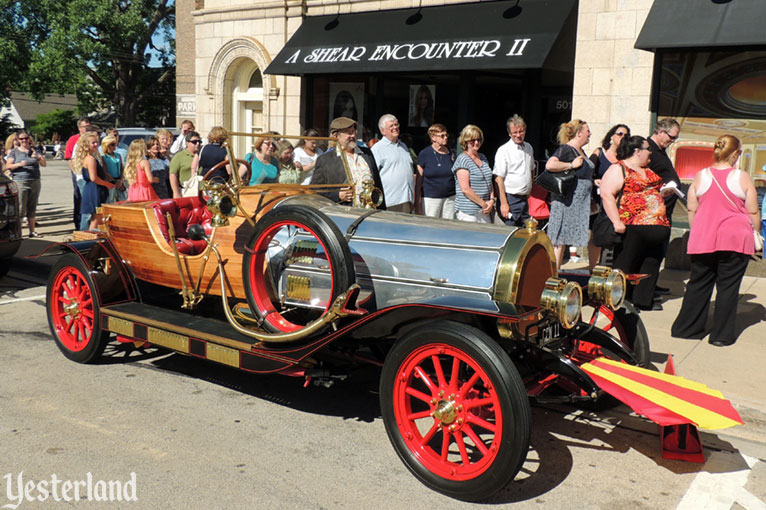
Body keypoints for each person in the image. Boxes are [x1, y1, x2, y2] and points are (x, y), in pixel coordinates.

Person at [671, 135, 761, 346]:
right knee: (728, 287)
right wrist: (755, 233)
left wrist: (699, 230)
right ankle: (721, 336)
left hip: (705, 236)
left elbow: (692, 207)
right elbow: (753, 210)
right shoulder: (741, 176)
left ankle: (687, 328)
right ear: (736, 153)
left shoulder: (701, 176)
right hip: (735, 237)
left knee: (698, 283)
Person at [600, 135, 670, 311]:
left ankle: (642, 300)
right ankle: (619, 300)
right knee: (626, 265)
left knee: (651, 263)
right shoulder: (619, 168)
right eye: (648, 149)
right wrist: (617, 222)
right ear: (637, 151)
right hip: (632, 225)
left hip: (657, 225)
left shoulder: (647, 169)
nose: (651, 152)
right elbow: (607, 194)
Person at [545, 119, 596, 269]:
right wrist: (571, 165)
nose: (590, 134)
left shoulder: (580, 150)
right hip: (565, 201)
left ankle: (556, 273)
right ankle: (552, 275)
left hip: (577, 202)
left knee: (564, 239)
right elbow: (550, 164)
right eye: (588, 131)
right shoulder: (567, 149)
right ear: (579, 133)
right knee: (559, 239)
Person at [310, 116, 385, 208]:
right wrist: (337, 195)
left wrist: (382, 209)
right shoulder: (325, 160)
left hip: (370, 213)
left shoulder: (366, 153)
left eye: (353, 131)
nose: (352, 136)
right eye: (348, 133)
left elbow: (378, 184)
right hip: (345, 215)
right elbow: (315, 189)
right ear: (335, 136)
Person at [647, 118, 681, 295]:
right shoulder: (648, 149)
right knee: (651, 254)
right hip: (653, 212)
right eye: (671, 137)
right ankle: (646, 291)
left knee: (658, 251)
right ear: (660, 132)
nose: (672, 141)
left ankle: (652, 285)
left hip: (664, 211)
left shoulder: (660, 150)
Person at [493, 114, 534, 227]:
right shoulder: (504, 150)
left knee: (525, 232)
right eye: (515, 132)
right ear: (509, 133)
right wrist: (504, 203)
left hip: (525, 198)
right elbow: (498, 179)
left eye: (521, 131)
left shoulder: (529, 148)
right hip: (511, 197)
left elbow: (531, 169)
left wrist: (530, 188)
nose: (518, 135)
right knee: (510, 231)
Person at [5, 130, 46, 237]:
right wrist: (19, 164)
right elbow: (7, 166)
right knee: (21, 207)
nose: (24, 141)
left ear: (29, 139)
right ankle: (18, 233)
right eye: (21, 139)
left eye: (26, 138)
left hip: (35, 180)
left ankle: (32, 231)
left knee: (32, 206)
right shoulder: (14, 152)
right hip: (20, 181)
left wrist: (38, 157)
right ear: (18, 140)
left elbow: (44, 164)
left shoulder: (35, 150)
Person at [371, 114, 415, 213]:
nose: (395, 127)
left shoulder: (403, 146)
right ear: (383, 131)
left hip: (406, 199)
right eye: (391, 126)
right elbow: (372, 175)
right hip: (390, 201)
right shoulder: (377, 149)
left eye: (396, 125)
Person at [452, 124, 494, 223]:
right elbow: (465, 189)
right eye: (472, 140)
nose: (476, 142)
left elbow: (489, 180)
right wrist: (483, 204)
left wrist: (492, 200)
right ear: (465, 141)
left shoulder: (483, 157)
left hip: (485, 211)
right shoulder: (462, 159)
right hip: (469, 212)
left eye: (479, 139)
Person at [74, 131, 113, 230]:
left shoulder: (91, 157)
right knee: (96, 218)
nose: (96, 145)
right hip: (95, 189)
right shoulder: (90, 159)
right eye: (93, 143)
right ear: (86, 145)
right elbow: (94, 178)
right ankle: (90, 240)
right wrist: (107, 184)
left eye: (97, 142)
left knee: (97, 218)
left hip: (94, 188)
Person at [416, 123, 455, 219]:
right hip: (431, 199)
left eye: (446, 135)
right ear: (433, 137)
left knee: (448, 227)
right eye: (442, 136)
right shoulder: (425, 154)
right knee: (430, 227)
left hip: (450, 198)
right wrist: (417, 202)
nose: (445, 138)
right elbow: (419, 181)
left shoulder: (451, 154)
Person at [65, 118, 91, 229]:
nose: (88, 129)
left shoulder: (92, 138)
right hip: (78, 172)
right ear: (79, 128)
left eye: (89, 126)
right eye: (85, 127)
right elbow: (69, 158)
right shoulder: (74, 139)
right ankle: (78, 222)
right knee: (79, 197)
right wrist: (75, 172)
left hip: (91, 172)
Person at [169, 131, 202, 198]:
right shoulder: (179, 156)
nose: (198, 144)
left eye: (199, 142)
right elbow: (173, 175)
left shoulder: (203, 155)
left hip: (201, 190)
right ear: (187, 143)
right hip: (186, 190)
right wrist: (176, 193)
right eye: (194, 142)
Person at [101, 135, 127, 203]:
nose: (114, 146)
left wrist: (121, 180)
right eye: (112, 144)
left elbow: (121, 168)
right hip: (110, 181)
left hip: (119, 179)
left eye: (115, 144)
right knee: (111, 199)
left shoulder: (117, 155)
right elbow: (105, 171)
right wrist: (114, 182)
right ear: (106, 145)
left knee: (122, 199)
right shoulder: (103, 156)